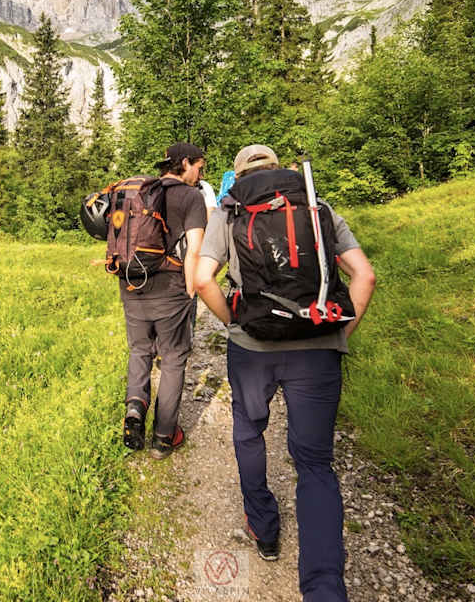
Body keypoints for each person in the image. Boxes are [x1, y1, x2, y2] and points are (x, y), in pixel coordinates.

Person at [193, 145, 375, 602]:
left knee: (250, 432)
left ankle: (264, 527)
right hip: (318, 349)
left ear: (237, 177)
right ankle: (325, 589)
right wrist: (340, 332)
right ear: (279, 172)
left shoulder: (230, 213)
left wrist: (232, 323)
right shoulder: (317, 207)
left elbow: (201, 280)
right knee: (315, 465)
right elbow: (364, 277)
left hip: (253, 348)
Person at [121, 142, 208, 458]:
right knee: (172, 359)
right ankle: (162, 438)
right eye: (200, 166)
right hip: (170, 290)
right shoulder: (191, 197)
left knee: (140, 350)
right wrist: (191, 290)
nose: (201, 173)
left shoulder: (140, 191)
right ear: (185, 163)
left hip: (131, 285)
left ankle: (135, 406)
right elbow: (196, 250)